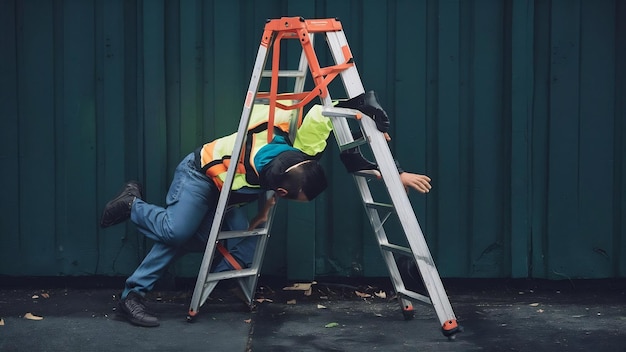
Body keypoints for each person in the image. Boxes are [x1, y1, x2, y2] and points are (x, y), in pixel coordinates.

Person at [99, 91, 432, 327]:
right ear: (283, 188)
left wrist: (386, 161)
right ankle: (132, 209)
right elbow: (265, 178)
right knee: (176, 231)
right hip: (201, 175)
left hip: (231, 193)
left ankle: (197, 276)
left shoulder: (301, 154)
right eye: (290, 198)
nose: (287, 201)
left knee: (237, 246)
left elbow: (326, 115)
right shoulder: (261, 160)